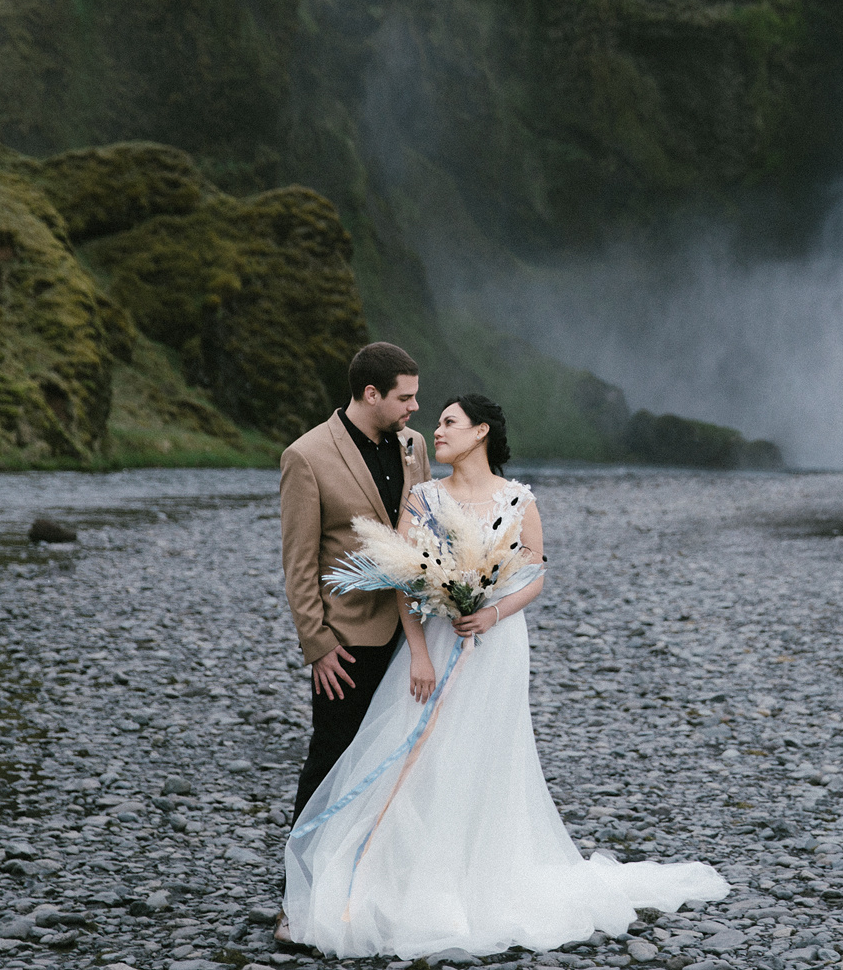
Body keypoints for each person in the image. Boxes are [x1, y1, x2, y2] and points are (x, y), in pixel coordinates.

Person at [283, 394, 726, 958]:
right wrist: (417, 654)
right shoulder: (423, 498)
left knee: (485, 755)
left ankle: (482, 877)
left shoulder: (518, 499)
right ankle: (402, 880)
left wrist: (490, 611)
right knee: (419, 755)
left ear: (480, 432)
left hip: (496, 645)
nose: (434, 432)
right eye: (435, 422)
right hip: (436, 644)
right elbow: (403, 579)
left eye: (448, 423)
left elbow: (534, 574)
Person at [278, 343, 429, 829]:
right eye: (405, 398)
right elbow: (298, 563)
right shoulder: (306, 456)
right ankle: (299, 891)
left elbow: (426, 530)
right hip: (346, 644)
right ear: (370, 394)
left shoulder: (415, 446)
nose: (414, 407)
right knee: (331, 762)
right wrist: (318, 644)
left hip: (411, 638)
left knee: (400, 764)